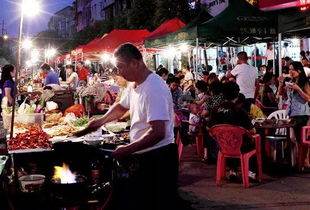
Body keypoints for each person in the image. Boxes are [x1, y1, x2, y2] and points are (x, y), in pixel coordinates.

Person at [78, 43, 177, 210]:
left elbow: (158, 132)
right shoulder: (134, 84)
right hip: (143, 155)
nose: (119, 72)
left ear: (135, 63)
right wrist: (99, 122)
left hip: (157, 157)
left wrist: (128, 149)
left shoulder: (154, 88)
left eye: (121, 67)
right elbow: (122, 107)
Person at [285, 61, 310, 171]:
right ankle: (300, 162)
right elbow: (282, 95)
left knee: (302, 140)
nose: (290, 71)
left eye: (292, 69)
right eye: (289, 69)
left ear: (299, 71)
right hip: (293, 113)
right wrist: (282, 85)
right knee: (296, 139)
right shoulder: (291, 81)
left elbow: (308, 98)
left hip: (302, 114)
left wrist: (298, 89)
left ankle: (304, 162)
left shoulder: (304, 82)